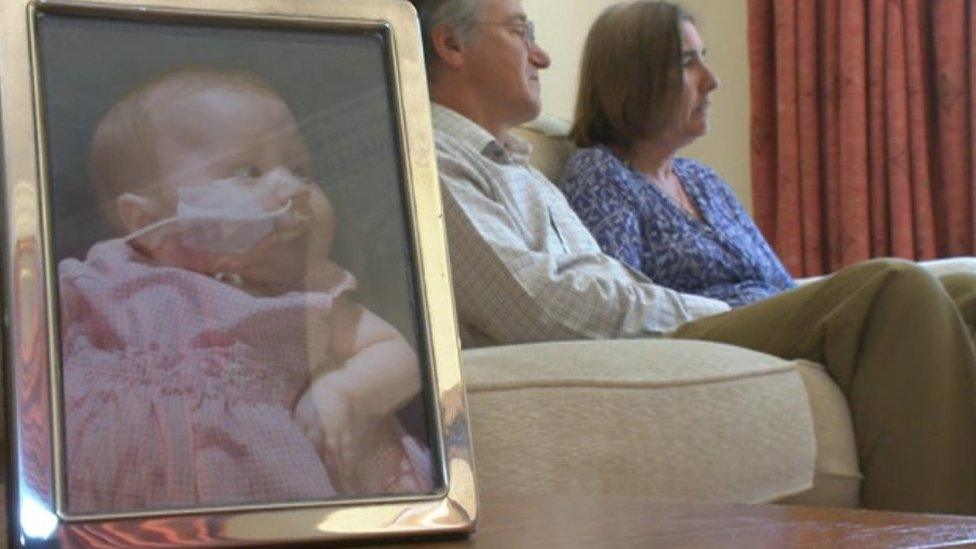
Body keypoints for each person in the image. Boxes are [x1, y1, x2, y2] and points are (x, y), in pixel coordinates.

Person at [408, 0, 976, 515]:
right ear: (451, 45)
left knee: (964, 294)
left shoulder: (516, 162)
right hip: (664, 329)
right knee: (893, 291)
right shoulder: (432, 157)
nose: (543, 53)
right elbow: (534, 305)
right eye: (519, 31)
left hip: (680, 316)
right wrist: (700, 312)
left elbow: (610, 279)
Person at [59, 69, 432, 513]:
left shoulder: (305, 295)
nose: (294, 190)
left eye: (301, 170)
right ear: (145, 223)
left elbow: (398, 355)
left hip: (280, 498)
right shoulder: (106, 278)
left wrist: (345, 391)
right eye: (247, 171)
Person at [560, 2, 793, 307]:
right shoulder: (599, 175)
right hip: (713, 340)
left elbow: (782, 285)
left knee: (873, 282)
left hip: (782, 329)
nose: (712, 80)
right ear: (632, 81)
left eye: (703, 58)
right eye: (687, 63)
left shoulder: (701, 179)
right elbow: (626, 307)